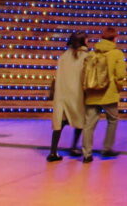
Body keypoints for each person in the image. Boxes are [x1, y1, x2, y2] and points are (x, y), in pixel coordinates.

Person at [81, 27, 126, 163]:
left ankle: (87, 154)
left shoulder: (92, 53)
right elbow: (120, 75)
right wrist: (118, 88)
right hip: (109, 94)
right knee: (112, 120)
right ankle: (107, 148)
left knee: (89, 125)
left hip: (92, 93)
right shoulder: (117, 53)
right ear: (114, 38)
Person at [47, 32, 86, 162]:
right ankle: (74, 146)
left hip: (62, 94)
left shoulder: (63, 57)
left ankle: (53, 151)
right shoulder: (85, 57)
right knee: (80, 120)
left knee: (60, 123)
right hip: (76, 94)